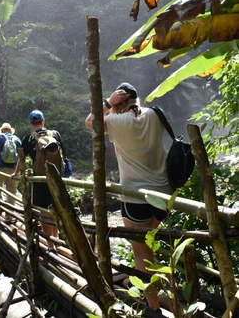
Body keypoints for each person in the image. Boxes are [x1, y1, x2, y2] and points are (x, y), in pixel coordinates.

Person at [85, 82, 172, 313]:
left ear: (118, 103)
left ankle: (153, 308)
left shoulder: (116, 121)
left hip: (136, 197)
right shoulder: (154, 114)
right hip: (163, 195)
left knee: (141, 255)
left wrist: (106, 103)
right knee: (150, 251)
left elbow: (89, 122)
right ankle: (167, 300)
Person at [11, 110, 65, 254]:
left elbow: (22, 159)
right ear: (43, 121)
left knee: (44, 212)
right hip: (57, 178)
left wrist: (16, 174)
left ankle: (51, 246)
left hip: (40, 179)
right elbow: (63, 156)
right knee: (55, 209)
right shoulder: (55, 134)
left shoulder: (28, 138)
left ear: (31, 123)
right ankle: (57, 240)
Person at [0, 123, 22, 218]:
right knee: (12, 190)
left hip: (0, 167)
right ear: (10, 130)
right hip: (14, 169)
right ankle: (10, 215)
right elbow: (21, 156)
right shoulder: (17, 139)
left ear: (2, 130)